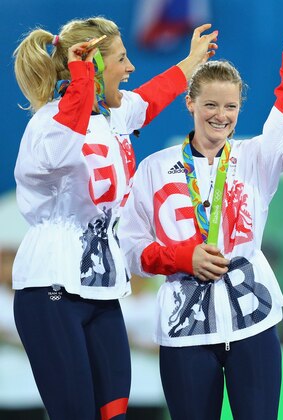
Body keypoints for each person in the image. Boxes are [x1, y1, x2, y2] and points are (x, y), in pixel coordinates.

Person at [11, 16, 217, 420]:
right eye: (122, 59)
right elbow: (64, 143)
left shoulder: (112, 116)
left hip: (101, 291)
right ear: (93, 66)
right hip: (51, 288)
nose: (131, 68)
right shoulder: (48, 125)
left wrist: (192, 61)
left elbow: (152, 97)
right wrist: (82, 76)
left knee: (113, 413)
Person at [118, 14, 283, 420]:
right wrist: (182, 258)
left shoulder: (256, 157)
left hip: (253, 324)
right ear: (189, 103)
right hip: (184, 328)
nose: (220, 115)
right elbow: (131, 248)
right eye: (209, 104)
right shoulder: (154, 168)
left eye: (230, 106)